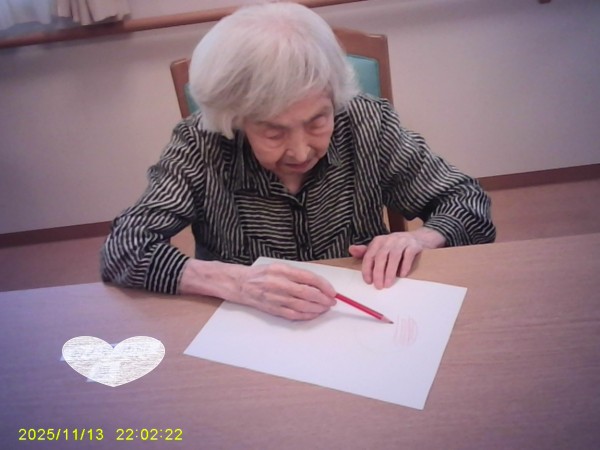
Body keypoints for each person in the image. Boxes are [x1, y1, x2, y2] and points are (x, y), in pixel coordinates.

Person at [101, 2, 495, 321]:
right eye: (274, 132)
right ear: (235, 118)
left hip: (358, 320)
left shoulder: (366, 122)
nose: (302, 151)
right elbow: (124, 248)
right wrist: (236, 282)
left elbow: (467, 203)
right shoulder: (200, 144)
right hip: (248, 329)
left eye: (317, 121)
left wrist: (419, 238)